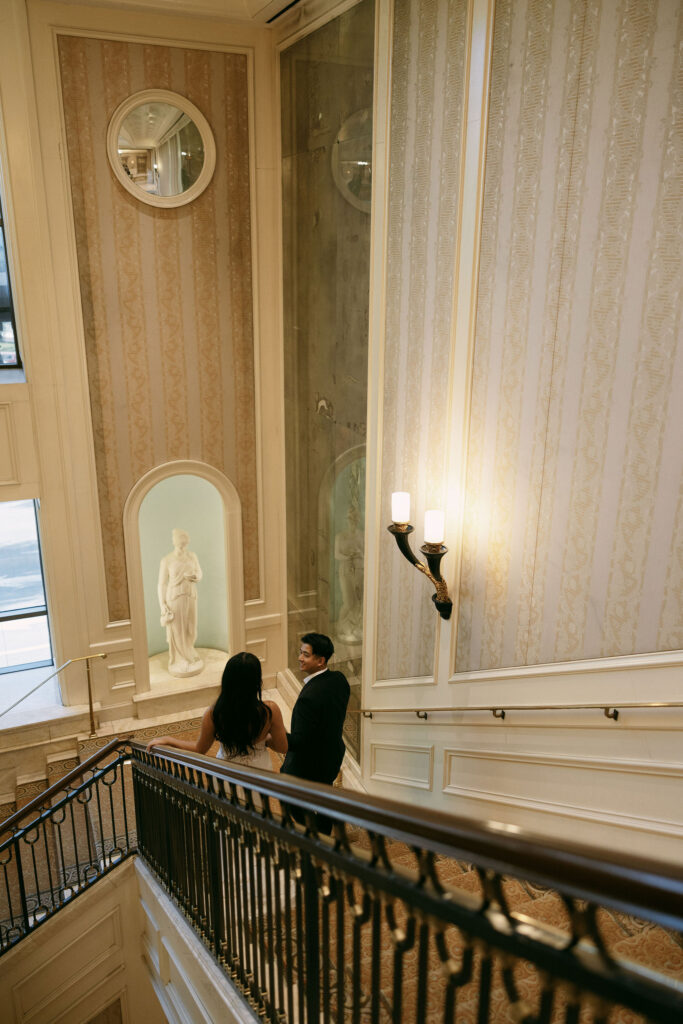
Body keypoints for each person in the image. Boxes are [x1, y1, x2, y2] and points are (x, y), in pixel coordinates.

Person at [146, 651, 287, 769]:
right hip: (260, 772)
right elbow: (282, 747)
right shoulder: (270, 710)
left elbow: (199, 749)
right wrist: (265, 738)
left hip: (227, 773)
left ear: (226, 680)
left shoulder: (214, 714)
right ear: (257, 682)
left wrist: (168, 739)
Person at [280, 633, 350, 833]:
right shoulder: (339, 680)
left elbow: (299, 742)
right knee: (324, 796)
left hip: (310, 764)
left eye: (306, 655)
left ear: (321, 661)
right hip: (333, 755)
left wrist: (273, 737)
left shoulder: (308, 699)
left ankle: (315, 835)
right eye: (301, 653)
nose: (300, 658)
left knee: (288, 796)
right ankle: (326, 829)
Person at [158, 528, 204, 677]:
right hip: (175, 597)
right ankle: (181, 659)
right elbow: (162, 584)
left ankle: (189, 651)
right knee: (178, 630)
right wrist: (162, 604)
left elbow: (199, 572)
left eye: (184, 538)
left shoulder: (192, 556)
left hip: (190, 595)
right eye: (179, 538)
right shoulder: (167, 560)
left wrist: (195, 577)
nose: (182, 541)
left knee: (191, 628)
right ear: (174, 541)